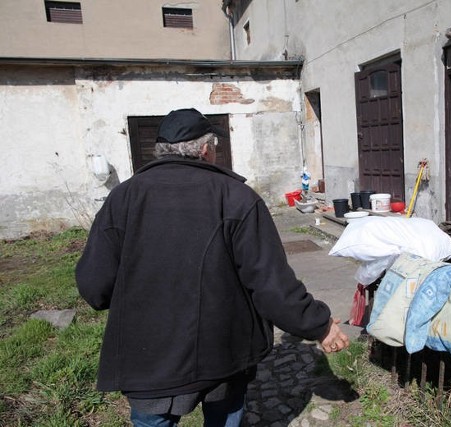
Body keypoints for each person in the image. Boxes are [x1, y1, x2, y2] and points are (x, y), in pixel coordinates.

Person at [76, 108, 350, 426]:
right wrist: (320, 325)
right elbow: (271, 285)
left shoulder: (121, 198)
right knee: (224, 417)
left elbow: (94, 286)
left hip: (148, 355)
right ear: (206, 150)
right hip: (222, 348)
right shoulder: (237, 197)